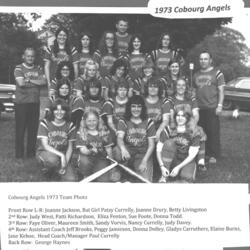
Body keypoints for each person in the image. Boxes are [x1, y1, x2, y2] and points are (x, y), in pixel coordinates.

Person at [14, 47, 46, 159]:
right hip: (21, 103)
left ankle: (31, 154)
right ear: (24, 56)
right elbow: (21, 83)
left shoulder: (38, 68)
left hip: (34, 102)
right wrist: (35, 82)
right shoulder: (18, 68)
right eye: (28, 56)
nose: (30, 58)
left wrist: (30, 80)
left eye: (32, 56)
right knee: (20, 130)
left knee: (33, 130)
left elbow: (43, 82)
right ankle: (19, 155)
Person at [193, 51, 225, 164]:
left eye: (205, 59)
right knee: (200, 131)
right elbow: (193, 91)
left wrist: (220, 106)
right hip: (199, 108)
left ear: (210, 60)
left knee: (212, 132)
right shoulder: (196, 74)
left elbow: (221, 91)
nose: (203, 61)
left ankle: (213, 154)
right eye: (201, 59)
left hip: (212, 107)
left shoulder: (217, 73)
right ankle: (203, 153)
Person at [114, 95, 156, 182]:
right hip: (129, 151)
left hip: (142, 154)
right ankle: (120, 170)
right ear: (129, 107)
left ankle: (134, 169)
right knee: (117, 151)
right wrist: (123, 149)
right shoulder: (124, 120)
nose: (136, 109)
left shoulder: (149, 122)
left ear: (143, 108)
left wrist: (144, 161)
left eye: (139, 106)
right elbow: (119, 138)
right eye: (133, 106)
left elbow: (151, 145)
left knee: (145, 180)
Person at [156, 107, 203, 183]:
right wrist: (162, 167)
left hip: (187, 160)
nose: (180, 118)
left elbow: (192, 154)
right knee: (169, 143)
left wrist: (178, 167)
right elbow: (158, 149)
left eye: (183, 116)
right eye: (178, 115)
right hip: (172, 159)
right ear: (174, 117)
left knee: (187, 177)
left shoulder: (194, 131)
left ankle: (185, 170)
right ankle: (164, 175)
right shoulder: (168, 129)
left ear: (188, 117)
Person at [36, 99, 77, 181]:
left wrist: (65, 164)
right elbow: (45, 146)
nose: (59, 112)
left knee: (71, 179)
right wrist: (61, 156)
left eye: (62, 110)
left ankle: (59, 169)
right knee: (52, 161)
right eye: (56, 110)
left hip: (64, 153)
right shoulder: (45, 123)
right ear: (52, 111)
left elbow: (70, 147)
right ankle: (48, 171)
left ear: (66, 111)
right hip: (46, 152)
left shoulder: (70, 125)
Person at [76, 110, 114, 182]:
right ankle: (86, 175)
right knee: (85, 162)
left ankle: (98, 172)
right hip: (87, 157)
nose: (92, 123)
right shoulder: (81, 132)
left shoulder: (104, 131)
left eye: (94, 121)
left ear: (98, 120)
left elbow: (108, 149)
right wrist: (90, 151)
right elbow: (83, 149)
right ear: (84, 121)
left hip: (101, 158)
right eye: (89, 121)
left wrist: (112, 164)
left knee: (104, 181)